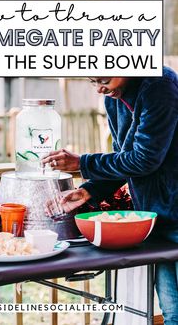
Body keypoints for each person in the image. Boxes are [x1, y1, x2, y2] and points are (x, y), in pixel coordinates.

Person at [42, 68, 178, 325]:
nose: (99, 89)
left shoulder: (160, 86)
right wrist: (89, 190)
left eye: (104, 80)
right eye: (93, 82)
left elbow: (144, 159)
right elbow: (124, 159)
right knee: (172, 314)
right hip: (156, 217)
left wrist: (82, 163)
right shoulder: (114, 99)